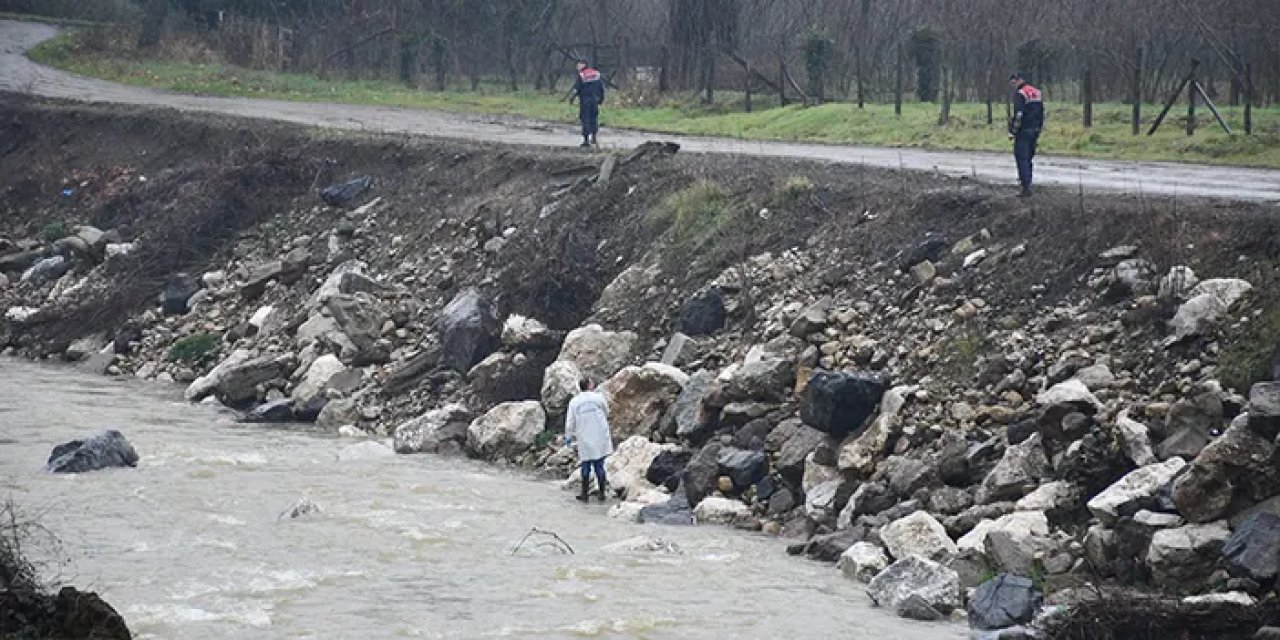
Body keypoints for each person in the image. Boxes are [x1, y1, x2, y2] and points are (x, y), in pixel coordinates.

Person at [564, 377, 613, 502]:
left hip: (584, 435)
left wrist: (568, 436)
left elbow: (570, 421)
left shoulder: (575, 401)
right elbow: (606, 412)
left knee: (586, 465)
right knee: (599, 464)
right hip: (599, 434)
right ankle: (602, 494)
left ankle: (584, 494)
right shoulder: (599, 398)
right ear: (590, 385)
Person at [1008, 72, 1045, 198]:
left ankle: (1025, 186)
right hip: (1035, 129)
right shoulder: (1037, 92)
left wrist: (1013, 130)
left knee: (1021, 157)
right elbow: (1041, 113)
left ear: (1018, 80)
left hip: (1024, 130)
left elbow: (1019, 114)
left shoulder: (1020, 94)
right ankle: (1028, 181)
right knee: (1029, 156)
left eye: (1013, 82)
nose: (1013, 85)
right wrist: (1039, 128)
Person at [570, 60, 606, 148]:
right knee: (594, 118)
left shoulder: (581, 75)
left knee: (585, 119)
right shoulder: (596, 74)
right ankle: (594, 137)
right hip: (595, 100)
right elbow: (601, 88)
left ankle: (586, 141)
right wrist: (601, 99)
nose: (577, 67)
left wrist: (572, 97)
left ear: (583, 65)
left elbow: (576, 88)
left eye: (578, 64)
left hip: (585, 100)